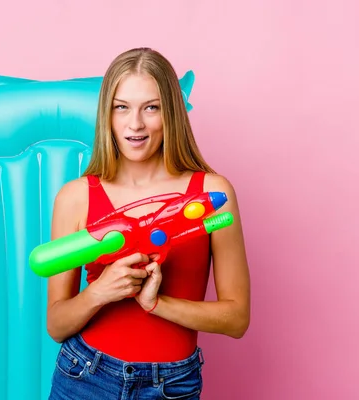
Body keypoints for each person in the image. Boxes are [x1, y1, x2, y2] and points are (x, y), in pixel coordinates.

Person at [46, 47, 251, 400]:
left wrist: (157, 304)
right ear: (107, 115)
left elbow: (237, 319)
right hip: (85, 377)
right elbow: (56, 324)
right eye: (121, 107)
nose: (135, 123)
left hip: (172, 386)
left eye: (151, 107)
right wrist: (101, 291)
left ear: (170, 113)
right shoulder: (75, 197)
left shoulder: (211, 193)